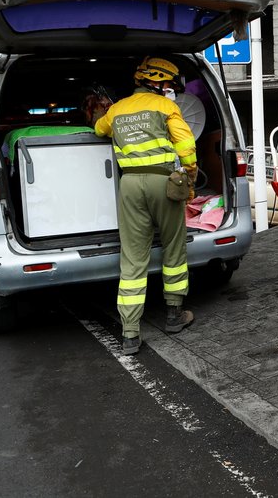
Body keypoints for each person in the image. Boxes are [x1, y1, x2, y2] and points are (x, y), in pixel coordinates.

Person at [93, 56, 198, 355]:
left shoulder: (116, 109)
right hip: (163, 183)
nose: (171, 90)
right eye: (169, 84)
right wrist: (189, 179)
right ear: (160, 83)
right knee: (173, 248)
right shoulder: (166, 107)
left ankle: (129, 333)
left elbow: (99, 129)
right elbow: (187, 147)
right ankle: (175, 315)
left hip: (129, 185)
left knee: (133, 256)